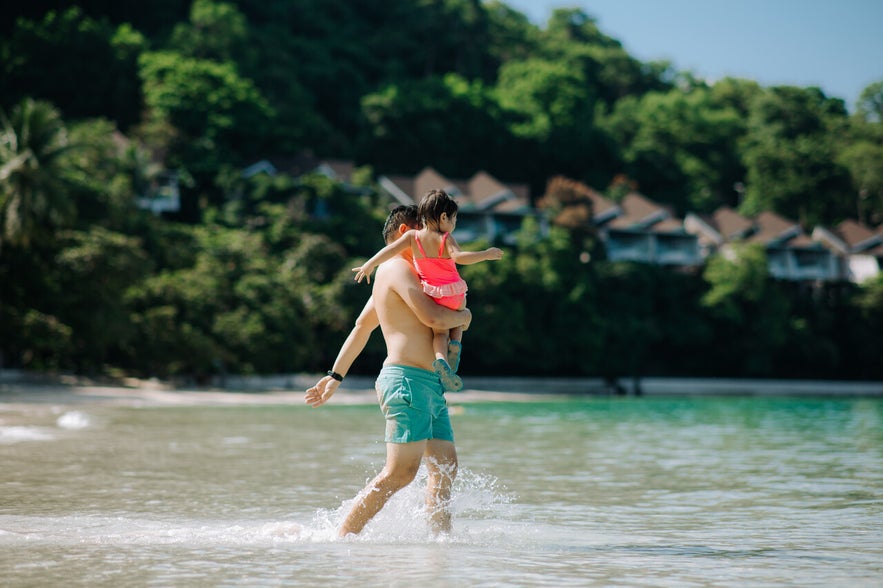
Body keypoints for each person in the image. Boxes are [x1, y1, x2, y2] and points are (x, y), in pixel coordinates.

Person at [305, 205, 473, 537]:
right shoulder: (395, 267)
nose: (437, 240)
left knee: (445, 468)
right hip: (407, 381)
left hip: (430, 384)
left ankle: (440, 545)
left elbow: (361, 328)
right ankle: (342, 538)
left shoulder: (417, 275)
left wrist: (335, 376)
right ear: (406, 233)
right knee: (400, 472)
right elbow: (434, 319)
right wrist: (464, 318)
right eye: (429, 231)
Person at [352, 190, 503, 392]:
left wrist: (369, 264)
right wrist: (485, 254)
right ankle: (455, 345)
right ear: (443, 217)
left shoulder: (413, 237)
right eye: (454, 219)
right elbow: (460, 258)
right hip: (454, 293)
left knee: (439, 333)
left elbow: (390, 250)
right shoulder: (445, 238)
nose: (454, 224)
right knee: (459, 316)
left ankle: (441, 359)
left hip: (433, 294)